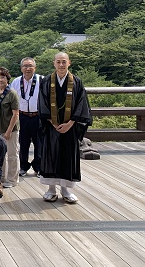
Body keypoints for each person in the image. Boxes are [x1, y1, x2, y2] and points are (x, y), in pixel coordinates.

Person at [38, 52, 92, 204]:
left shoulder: (76, 82)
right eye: (58, 62)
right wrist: (52, 122)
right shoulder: (47, 81)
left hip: (70, 127)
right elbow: (42, 102)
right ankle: (50, 189)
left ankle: (66, 190)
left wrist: (70, 123)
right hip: (51, 126)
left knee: (67, 157)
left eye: (64, 62)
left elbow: (82, 104)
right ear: (54, 63)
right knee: (51, 155)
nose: (61, 65)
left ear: (69, 63)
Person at [10, 57, 42, 177]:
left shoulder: (42, 80)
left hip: (37, 115)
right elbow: (12, 99)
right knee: (22, 143)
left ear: (35, 68)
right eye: (25, 66)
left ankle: (38, 167)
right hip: (22, 116)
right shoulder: (16, 81)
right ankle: (23, 166)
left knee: (39, 143)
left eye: (30, 66)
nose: (27, 68)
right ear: (21, 68)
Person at [0, 67, 20, 188]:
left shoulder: (12, 93)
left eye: (2, 77)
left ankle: (13, 179)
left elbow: (16, 114)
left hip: (10, 129)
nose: (0, 79)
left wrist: (9, 130)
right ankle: (2, 177)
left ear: (7, 78)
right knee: (1, 154)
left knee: (12, 155)